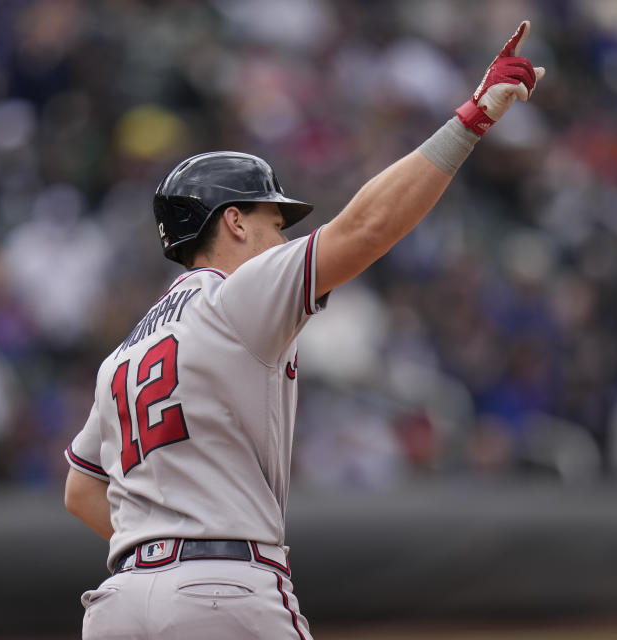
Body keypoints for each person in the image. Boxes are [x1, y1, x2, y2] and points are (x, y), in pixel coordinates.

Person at [63, 20, 544, 640]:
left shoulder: (123, 354)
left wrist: (161, 548)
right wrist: (472, 118)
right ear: (233, 222)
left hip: (119, 604)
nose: (282, 236)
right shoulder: (237, 297)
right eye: (273, 219)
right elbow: (365, 230)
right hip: (226, 590)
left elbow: (80, 491)